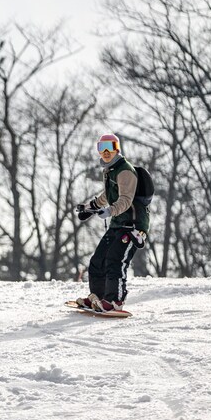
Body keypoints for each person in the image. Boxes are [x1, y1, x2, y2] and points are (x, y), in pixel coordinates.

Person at [73, 133, 149, 313]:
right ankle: (98, 298)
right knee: (97, 260)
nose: (106, 152)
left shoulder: (124, 170)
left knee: (116, 261)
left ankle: (115, 301)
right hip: (118, 224)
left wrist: (109, 211)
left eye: (110, 147)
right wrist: (89, 208)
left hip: (132, 225)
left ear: (117, 148)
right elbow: (108, 195)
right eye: (102, 147)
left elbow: (125, 200)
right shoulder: (110, 170)